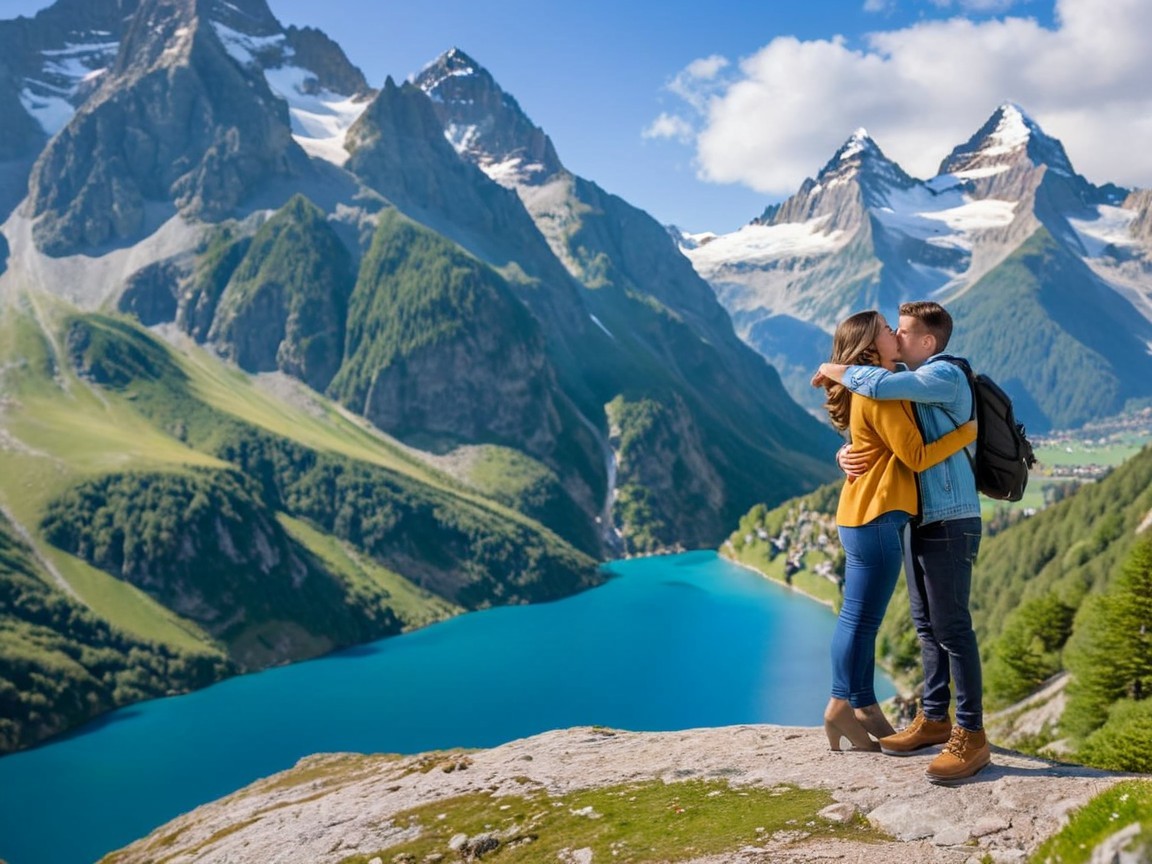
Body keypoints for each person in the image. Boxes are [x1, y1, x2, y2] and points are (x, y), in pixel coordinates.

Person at [813, 301, 990, 785]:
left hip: (944, 516)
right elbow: (889, 439)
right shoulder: (888, 388)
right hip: (905, 517)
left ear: (926, 342)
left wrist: (839, 370)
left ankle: (969, 733)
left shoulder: (942, 375)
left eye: (903, 330)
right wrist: (846, 449)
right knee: (914, 625)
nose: (898, 335)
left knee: (947, 627)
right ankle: (927, 718)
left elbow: (898, 433)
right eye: (891, 330)